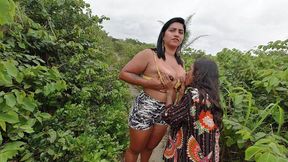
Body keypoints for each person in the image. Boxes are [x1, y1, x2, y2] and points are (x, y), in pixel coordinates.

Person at [119, 17, 187, 162]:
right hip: (146, 106)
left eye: (181, 32)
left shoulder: (181, 63)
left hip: (166, 109)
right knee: (135, 148)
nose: (177, 34)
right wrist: (152, 84)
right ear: (163, 34)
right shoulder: (150, 55)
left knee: (150, 147)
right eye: (172, 30)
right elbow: (124, 73)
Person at [162, 59, 223, 162]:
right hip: (207, 153)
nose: (186, 73)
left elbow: (169, 116)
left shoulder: (192, 95)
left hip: (191, 156)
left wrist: (169, 92)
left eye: (190, 69)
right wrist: (181, 94)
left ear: (197, 74)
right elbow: (186, 114)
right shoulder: (210, 96)